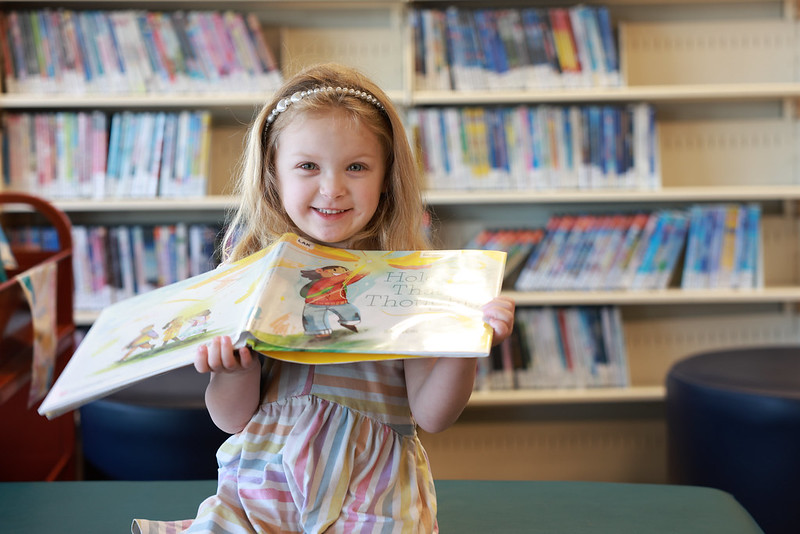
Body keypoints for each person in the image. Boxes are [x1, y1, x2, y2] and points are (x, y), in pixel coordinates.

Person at [133, 63, 515, 534]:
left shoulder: (410, 280)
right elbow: (231, 420)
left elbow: (432, 416)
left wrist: (465, 347)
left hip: (372, 490)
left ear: (385, 177)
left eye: (356, 167)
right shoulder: (250, 274)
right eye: (308, 166)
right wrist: (235, 370)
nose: (332, 188)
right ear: (274, 174)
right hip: (262, 481)